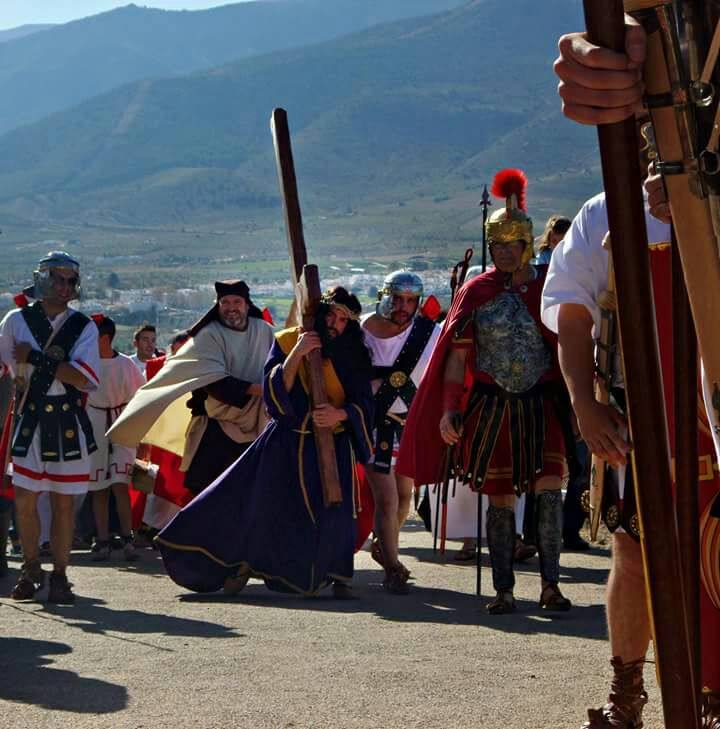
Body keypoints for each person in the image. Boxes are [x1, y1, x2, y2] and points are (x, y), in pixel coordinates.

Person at [552, 24, 720, 728]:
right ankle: (628, 694)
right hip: (641, 414)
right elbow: (571, 313)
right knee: (632, 550)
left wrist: (699, 207)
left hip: (714, 414)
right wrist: (585, 401)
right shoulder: (602, 216)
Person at [397, 169, 571, 614]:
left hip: (541, 403)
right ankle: (504, 589)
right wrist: (449, 410)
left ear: (526, 244)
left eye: (510, 245)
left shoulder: (547, 289)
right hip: (492, 406)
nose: (502, 253)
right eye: (496, 246)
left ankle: (550, 585)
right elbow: (456, 359)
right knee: (499, 500)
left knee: (550, 493)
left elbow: (567, 346)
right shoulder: (477, 292)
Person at [155, 286, 374, 598]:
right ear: (320, 313)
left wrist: (340, 415)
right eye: (333, 315)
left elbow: (365, 402)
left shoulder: (352, 351)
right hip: (286, 444)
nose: (336, 324)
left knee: (335, 515)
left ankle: (338, 576)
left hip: (334, 446)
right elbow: (273, 390)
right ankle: (241, 565)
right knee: (260, 507)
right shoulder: (287, 340)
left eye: (343, 319)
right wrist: (298, 353)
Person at [108, 280, 274, 497]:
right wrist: (262, 389)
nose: (231, 307)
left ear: (246, 304)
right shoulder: (208, 335)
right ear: (218, 305)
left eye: (237, 301)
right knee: (207, 496)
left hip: (257, 425)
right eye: (225, 302)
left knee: (251, 493)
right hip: (216, 428)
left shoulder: (264, 331)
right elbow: (214, 383)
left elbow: (277, 366)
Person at [0, 252, 100, 604]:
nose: (65, 286)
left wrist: (38, 358)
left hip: (67, 420)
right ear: (42, 278)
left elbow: (84, 378)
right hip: (30, 418)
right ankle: (30, 569)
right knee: (24, 501)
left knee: (63, 504)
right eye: (58, 278)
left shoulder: (83, 327)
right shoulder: (15, 321)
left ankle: (59, 575)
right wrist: (42, 366)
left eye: (71, 281)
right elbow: (12, 370)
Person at [361, 271, 441, 593]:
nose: (404, 307)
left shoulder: (428, 333)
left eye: (411, 300)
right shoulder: (361, 330)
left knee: (404, 495)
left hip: (408, 425)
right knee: (387, 498)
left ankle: (385, 547)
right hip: (372, 423)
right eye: (398, 299)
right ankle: (393, 567)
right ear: (385, 296)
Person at [86, 314, 144, 562]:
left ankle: (127, 537)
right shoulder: (85, 363)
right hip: (95, 423)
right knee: (98, 487)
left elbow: (140, 395)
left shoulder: (126, 365)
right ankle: (102, 539)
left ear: (104, 338)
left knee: (121, 484)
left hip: (120, 423)